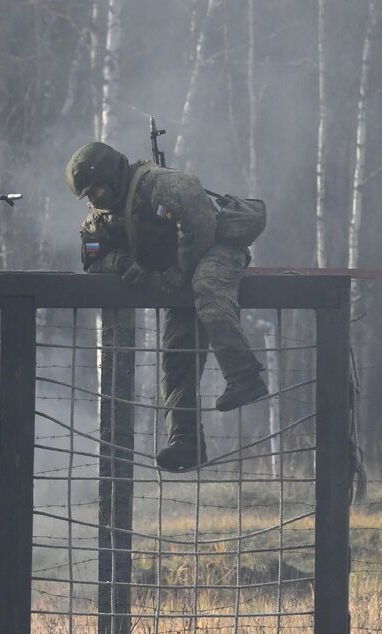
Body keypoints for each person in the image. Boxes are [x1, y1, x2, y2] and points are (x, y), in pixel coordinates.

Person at [65, 141, 268, 473]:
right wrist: (122, 262)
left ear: (112, 176)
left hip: (215, 250)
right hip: (177, 275)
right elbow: (93, 258)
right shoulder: (100, 219)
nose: (94, 199)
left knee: (208, 289)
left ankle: (244, 375)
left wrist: (179, 271)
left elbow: (202, 223)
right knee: (177, 356)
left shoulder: (156, 183)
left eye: (97, 190)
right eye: (89, 195)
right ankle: (185, 442)